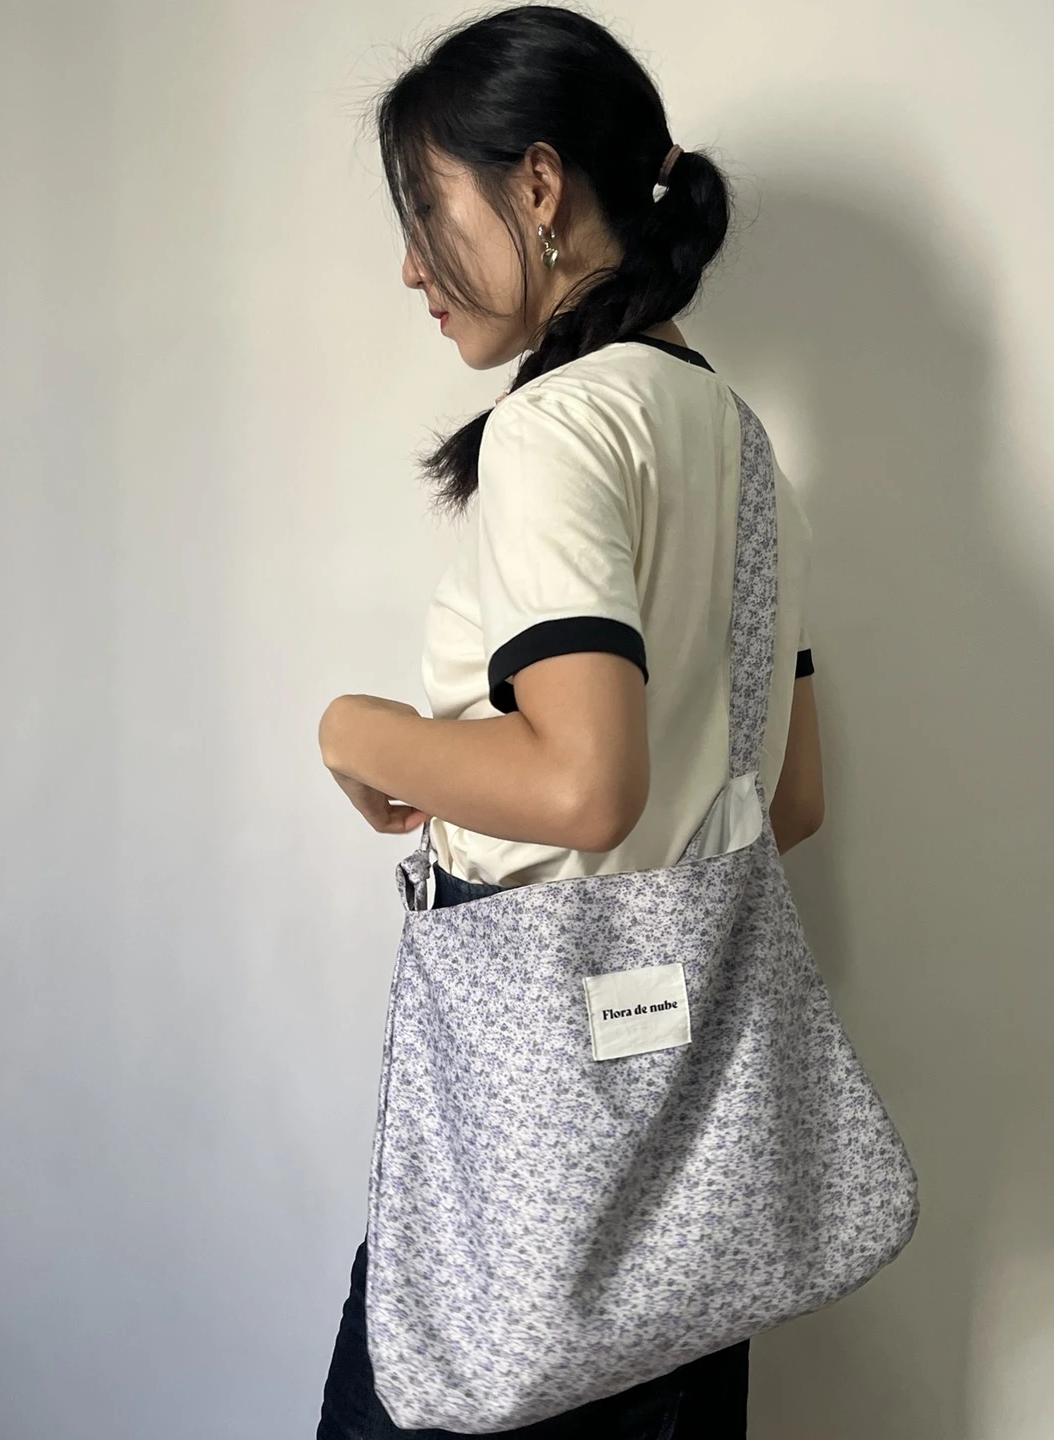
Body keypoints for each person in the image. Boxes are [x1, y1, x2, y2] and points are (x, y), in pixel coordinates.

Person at [315, 6, 825, 1436]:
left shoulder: (558, 428)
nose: (409, 264)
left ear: (537, 185)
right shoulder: (744, 450)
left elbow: (585, 782)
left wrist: (353, 730)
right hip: (695, 1167)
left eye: (426, 209)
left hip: (535, 1152)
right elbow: (789, 802)